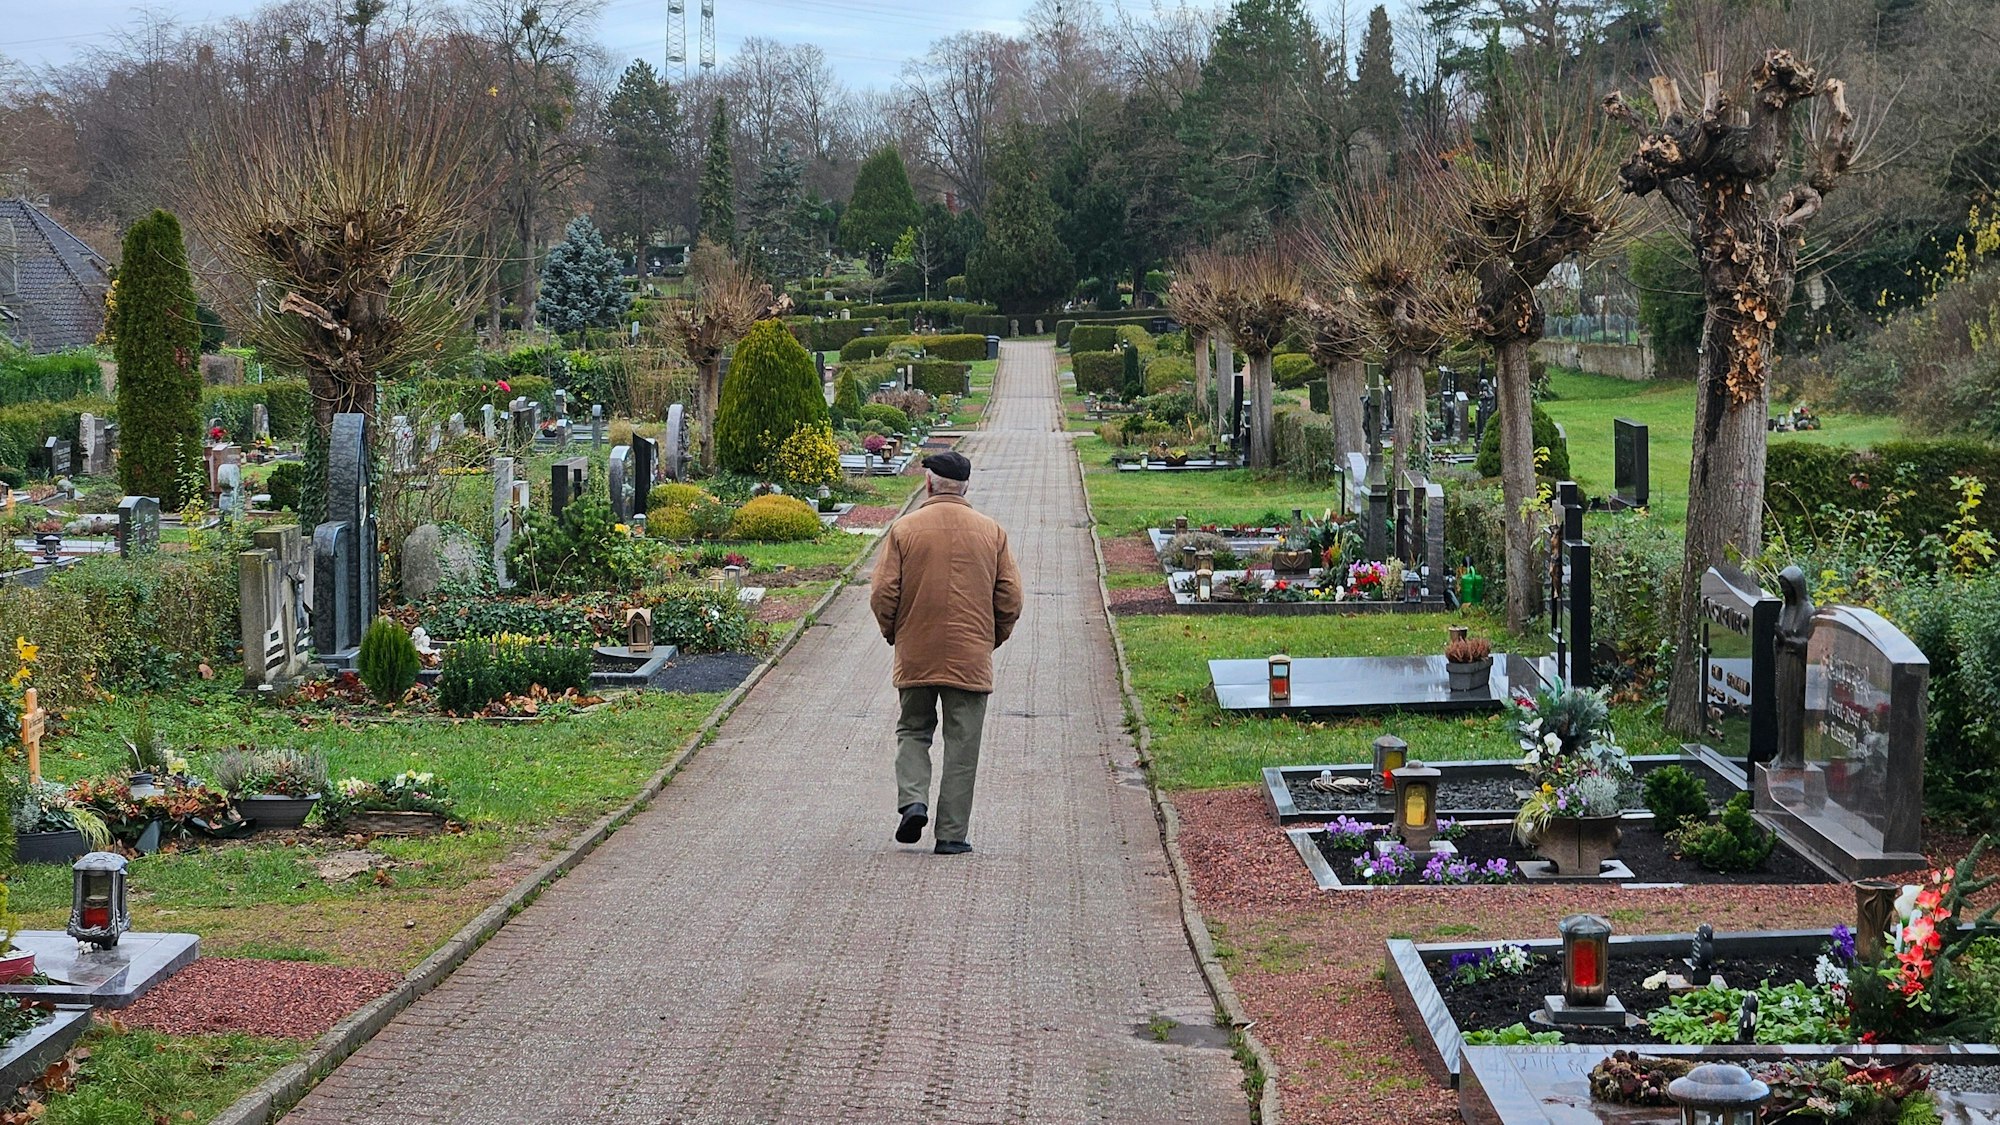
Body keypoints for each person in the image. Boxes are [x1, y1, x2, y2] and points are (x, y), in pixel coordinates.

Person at [869, 450, 1022, 855]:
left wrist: (895, 633)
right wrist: (990, 639)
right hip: (970, 655)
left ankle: (913, 800)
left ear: (929, 483)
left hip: (917, 650)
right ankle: (951, 836)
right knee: (962, 745)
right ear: (966, 486)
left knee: (913, 729)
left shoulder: (904, 530)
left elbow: (884, 594)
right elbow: (1010, 599)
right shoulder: (992, 532)